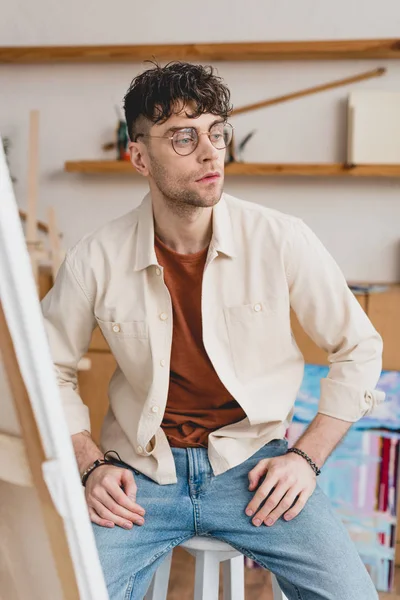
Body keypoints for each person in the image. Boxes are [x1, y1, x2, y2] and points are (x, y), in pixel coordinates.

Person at [41, 61, 385, 600]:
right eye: (183, 136)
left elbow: (358, 348)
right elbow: (45, 368)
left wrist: (306, 457)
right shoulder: (95, 257)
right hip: (137, 473)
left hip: (256, 467)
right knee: (65, 591)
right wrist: (89, 463)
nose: (209, 152)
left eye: (216, 132)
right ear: (139, 157)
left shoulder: (281, 238)